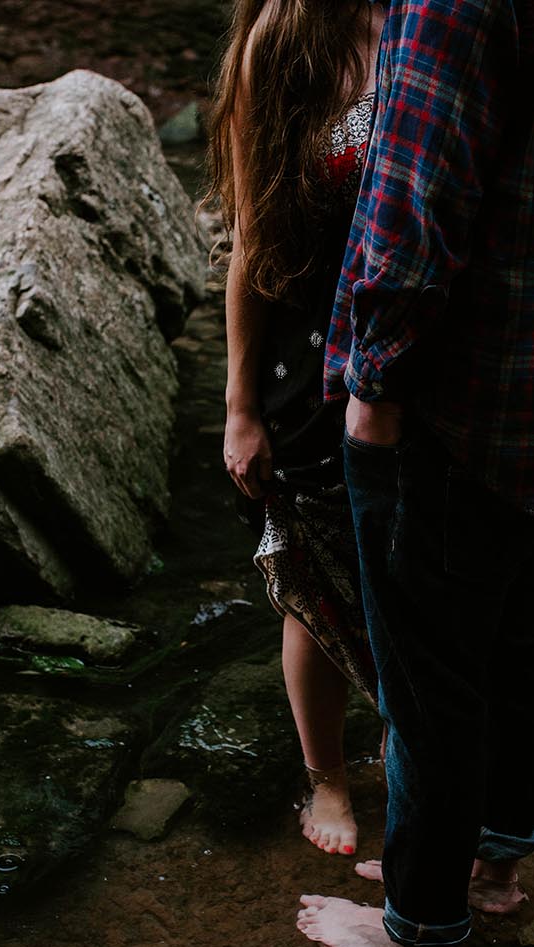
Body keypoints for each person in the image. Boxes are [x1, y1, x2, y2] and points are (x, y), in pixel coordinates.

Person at [295, 0, 534, 947]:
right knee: (516, 633)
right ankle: (497, 854)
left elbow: (414, 193)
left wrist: (373, 379)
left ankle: (418, 926)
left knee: (429, 677)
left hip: (457, 384)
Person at [206, 0, 388, 857]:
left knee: (408, 566)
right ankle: (328, 778)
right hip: (307, 358)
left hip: (406, 355)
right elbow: (250, 235)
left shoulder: (430, 19)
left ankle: (409, 739)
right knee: (315, 578)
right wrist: (240, 407)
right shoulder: (283, 35)